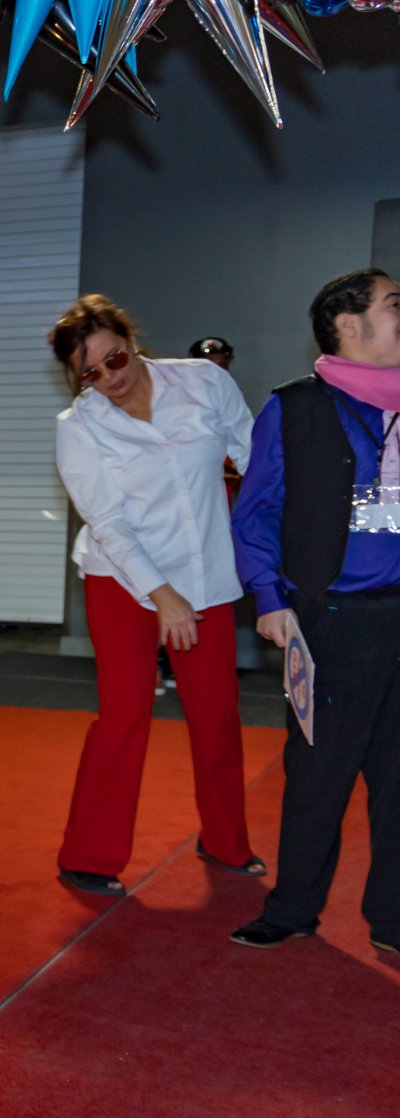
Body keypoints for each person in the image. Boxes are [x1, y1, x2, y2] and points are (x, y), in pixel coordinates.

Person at [49, 294, 261, 896]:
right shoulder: (79, 427)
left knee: (217, 713)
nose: (109, 378)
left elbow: (255, 458)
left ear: (132, 339)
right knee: (124, 714)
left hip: (205, 574)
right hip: (121, 579)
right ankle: (89, 856)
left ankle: (226, 841)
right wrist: (164, 596)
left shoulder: (204, 384)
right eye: (90, 373)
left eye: (114, 358)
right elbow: (109, 523)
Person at [229, 268, 400, 953]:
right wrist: (269, 598)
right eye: (394, 304)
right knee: (316, 778)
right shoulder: (294, 409)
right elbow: (254, 514)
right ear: (349, 325)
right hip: (332, 621)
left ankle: (393, 920)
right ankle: (293, 908)